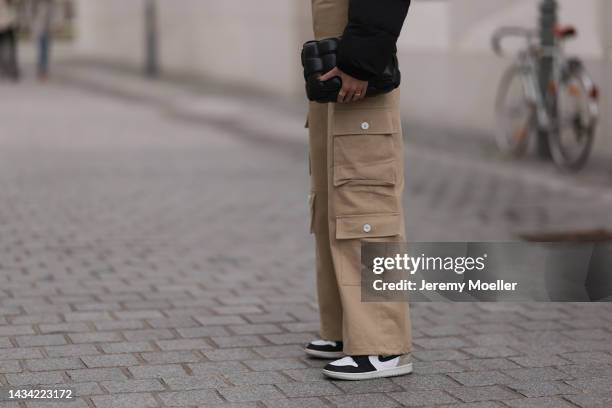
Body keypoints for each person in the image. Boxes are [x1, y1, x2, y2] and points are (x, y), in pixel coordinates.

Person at [304, 0, 413, 380]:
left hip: (357, 71)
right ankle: (345, 329)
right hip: (338, 63)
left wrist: (360, 61)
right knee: (332, 196)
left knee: (365, 201)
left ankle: (381, 343)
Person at [32, 0, 55, 80]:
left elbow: (52, 17)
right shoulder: (36, 3)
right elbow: (33, 16)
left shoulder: (50, 3)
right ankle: (41, 71)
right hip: (39, 29)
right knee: (41, 51)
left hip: (47, 30)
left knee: (45, 51)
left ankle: (43, 71)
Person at [0, 0, 19, 80]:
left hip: (10, 22)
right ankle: (3, 69)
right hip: (2, 22)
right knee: (2, 48)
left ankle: (12, 70)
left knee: (11, 48)